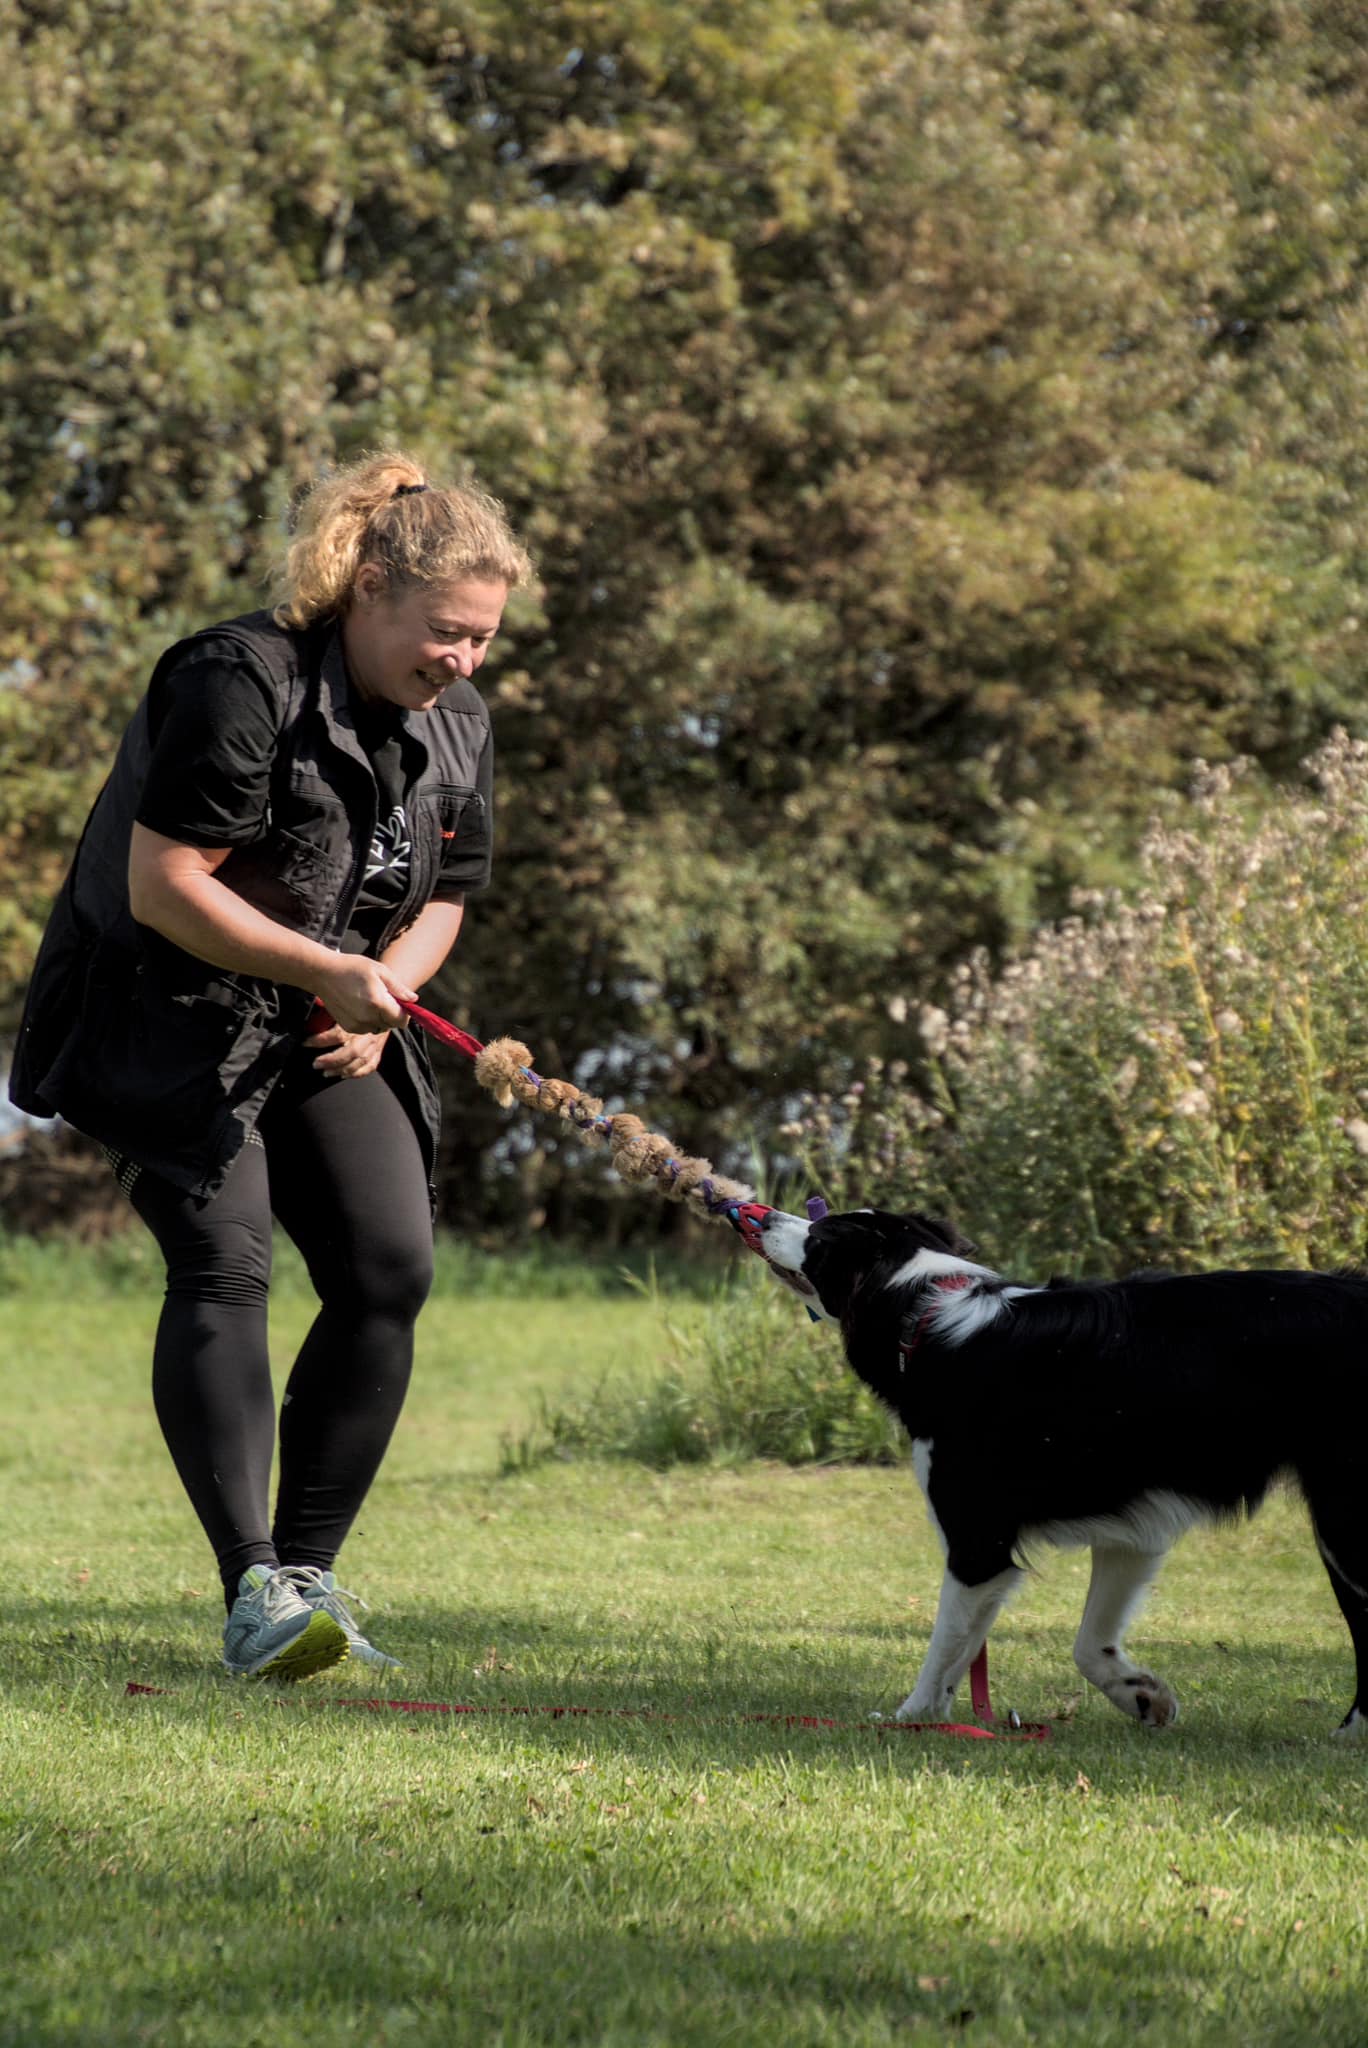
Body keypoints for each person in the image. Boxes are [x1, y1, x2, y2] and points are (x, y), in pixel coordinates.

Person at [9, 452, 532, 1679]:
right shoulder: (235, 680)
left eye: (485, 640)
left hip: (332, 1015)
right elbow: (164, 884)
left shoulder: (457, 721)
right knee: (226, 1256)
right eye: (445, 633)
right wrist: (327, 971)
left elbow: (447, 894)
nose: (463, 661)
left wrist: (385, 985)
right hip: (169, 1007)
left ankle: (309, 1577)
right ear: (364, 588)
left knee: (389, 1269)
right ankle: (252, 1584)